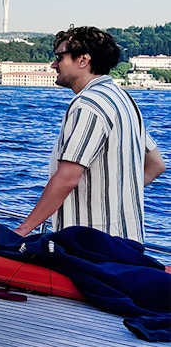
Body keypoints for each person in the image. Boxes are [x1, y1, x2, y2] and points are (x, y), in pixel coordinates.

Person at [14, 26, 165, 241]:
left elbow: (67, 177)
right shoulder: (124, 100)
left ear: (83, 60)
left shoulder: (89, 104)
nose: (53, 64)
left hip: (91, 245)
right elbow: (156, 164)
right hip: (127, 242)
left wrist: (22, 230)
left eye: (59, 57)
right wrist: (113, 198)